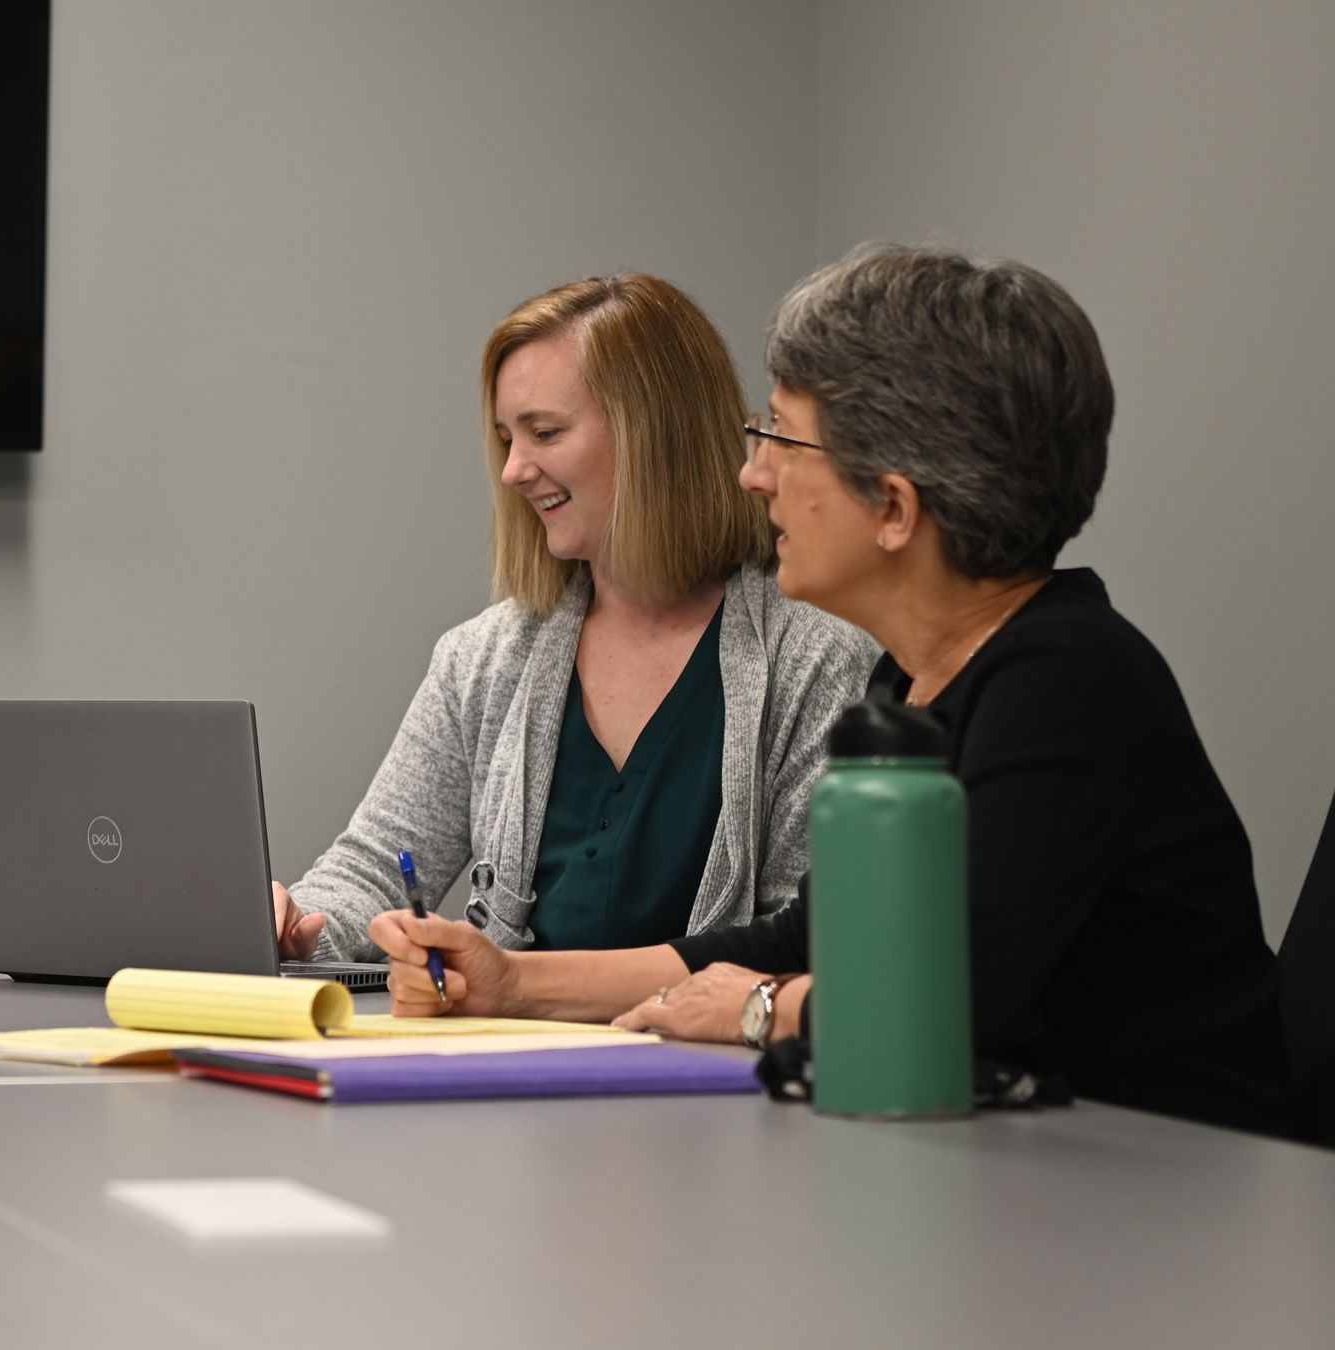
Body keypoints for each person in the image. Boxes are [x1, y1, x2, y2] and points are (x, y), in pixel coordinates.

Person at [372, 246, 1295, 1136]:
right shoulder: (919, 683)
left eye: (779, 437)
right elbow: (808, 939)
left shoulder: (1066, 680)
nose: (751, 473)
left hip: (1161, 1203)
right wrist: (515, 984)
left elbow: (951, 1009)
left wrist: (762, 1010)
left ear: (892, 508)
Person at [274, 275, 879, 967]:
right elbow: (375, 867)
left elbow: (809, 939)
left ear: (657, 432)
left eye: (545, 432)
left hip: (715, 1068)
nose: (513, 470)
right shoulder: (481, 658)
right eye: (506, 437)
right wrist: (299, 922)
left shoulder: (819, 661)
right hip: (509, 1064)